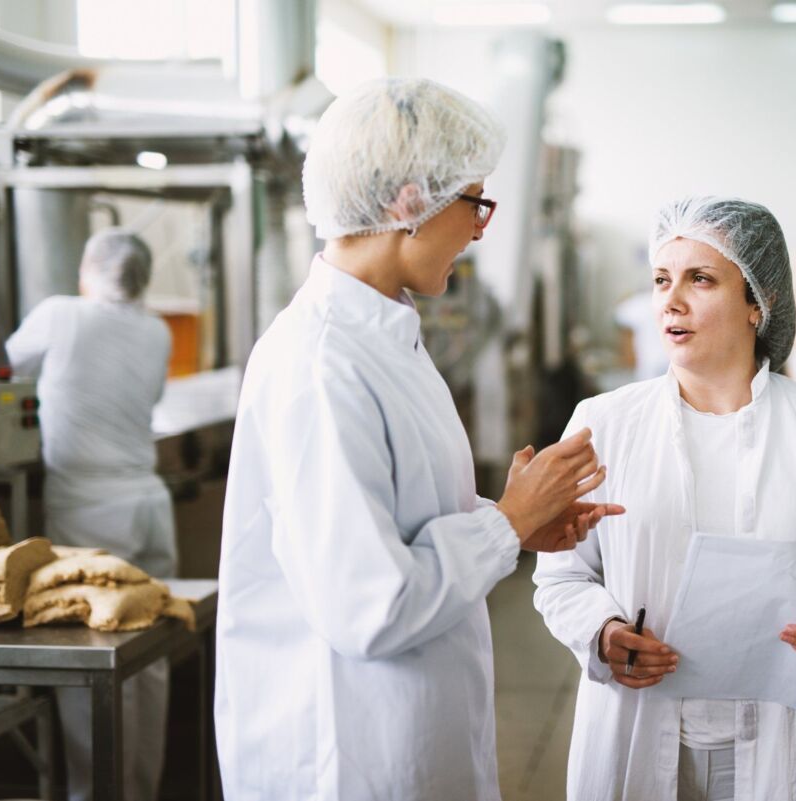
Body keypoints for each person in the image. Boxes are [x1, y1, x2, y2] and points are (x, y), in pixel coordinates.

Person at [214, 77, 622, 801]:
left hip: (410, 733)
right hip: (346, 756)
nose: (479, 227)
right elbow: (370, 603)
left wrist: (516, 524)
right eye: (474, 202)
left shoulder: (386, 337)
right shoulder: (321, 365)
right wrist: (504, 523)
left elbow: (402, 525)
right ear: (411, 202)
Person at [534, 196, 796, 801]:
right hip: (637, 724)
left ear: (759, 302)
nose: (670, 301)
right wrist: (603, 632)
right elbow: (561, 578)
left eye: (700, 279)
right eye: (661, 280)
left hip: (780, 730)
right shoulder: (602, 424)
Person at [6, 227, 175, 801]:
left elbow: (0, 371)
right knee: (149, 660)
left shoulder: (61, 314)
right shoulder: (156, 330)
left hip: (90, 518)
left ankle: (98, 794)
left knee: (89, 663)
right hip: (150, 509)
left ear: (88, 271)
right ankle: (142, 789)